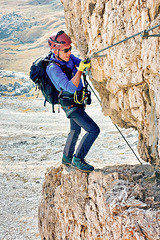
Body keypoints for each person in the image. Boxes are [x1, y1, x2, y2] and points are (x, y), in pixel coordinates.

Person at [47, 30, 100, 173]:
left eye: (70, 48)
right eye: (65, 50)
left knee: (75, 130)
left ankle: (66, 158)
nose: (69, 52)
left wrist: (85, 64)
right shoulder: (53, 68)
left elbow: (79, 63)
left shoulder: (68, 58)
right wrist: (80, 71)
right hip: (70, 104)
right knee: (93, 130)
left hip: (77, 102)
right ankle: (78, 159)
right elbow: (70, 87)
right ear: (55, 50)